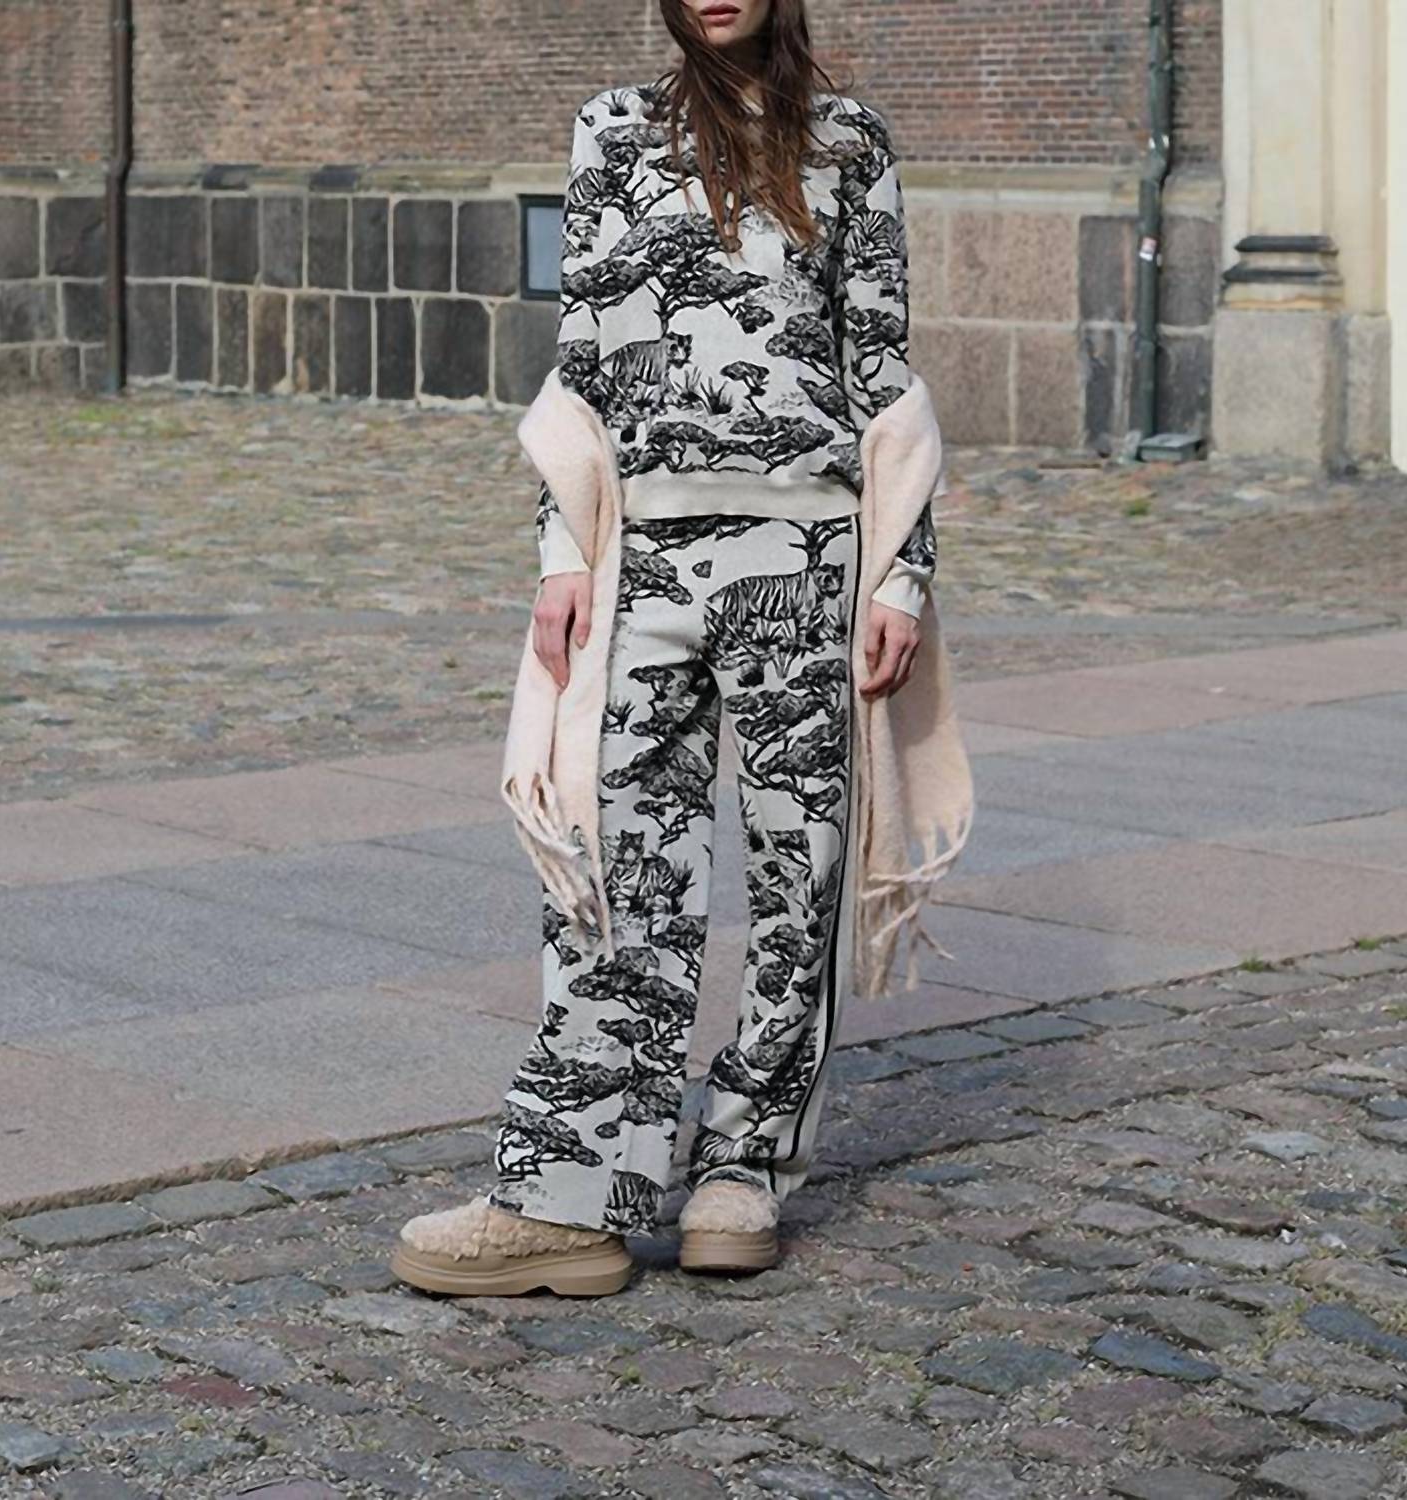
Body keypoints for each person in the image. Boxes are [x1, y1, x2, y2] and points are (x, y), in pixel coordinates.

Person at [390, 0, 944, 1298]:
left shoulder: (850, 143)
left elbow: (882, 368)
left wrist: (901, 574)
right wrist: (561, 554)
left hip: (809, 559)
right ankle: (573, 1196)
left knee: (800, 875)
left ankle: (743, 1169)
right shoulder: (615, 132)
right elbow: (582, 364)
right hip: (642, 559)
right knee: (608, 861)